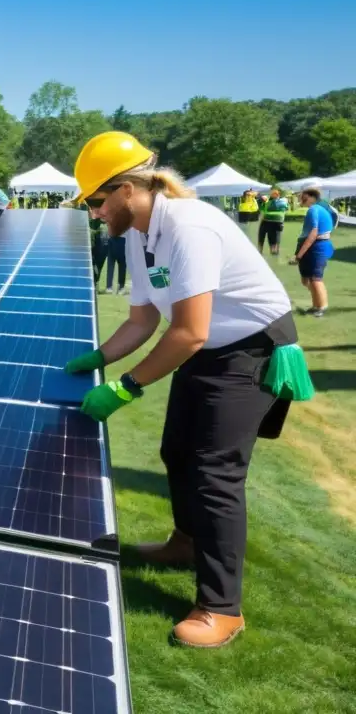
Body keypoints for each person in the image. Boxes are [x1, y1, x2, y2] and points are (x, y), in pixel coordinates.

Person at [64, 131, 313, 649]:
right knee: (176, 449)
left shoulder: (189, 226)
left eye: (96, 200)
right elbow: (143, 319)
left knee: (214, 472)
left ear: (129, 187)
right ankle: (186, 542)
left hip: (251, 349)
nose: (94, 214)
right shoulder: (137, 233)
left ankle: (222, 609)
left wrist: (127, 387)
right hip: (208, 347)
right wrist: (101, 357)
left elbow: (189, 330)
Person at [289, 187, 334, 317]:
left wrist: (299, 256)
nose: (299, 199)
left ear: (310, 196)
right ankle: (316, 305)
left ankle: (321, 307)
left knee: (315, 278)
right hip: (313, 246)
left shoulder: (314, 209)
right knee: (307, 279)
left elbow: (313, 233)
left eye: (302, 196)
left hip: (317, 247)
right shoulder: (316, 209)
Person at [257, 188, 288, 257]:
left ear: (278, 194)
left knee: (273, 237)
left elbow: (275, 206)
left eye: (273, 194)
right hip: (268, 220)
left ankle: (273, 250)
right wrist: (262, 200)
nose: (272, 195)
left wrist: (263, 200)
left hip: (273, 221)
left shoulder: (280, 201)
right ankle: (264, 250)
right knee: (266, 236)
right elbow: (261, 208)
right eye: (272, 194)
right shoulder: (270, 201)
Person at [105, 230, 127, 295]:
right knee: (111, 264)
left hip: (122, 238)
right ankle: (109, 286)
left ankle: (121, 286)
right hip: (113, 238)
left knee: (122, 265)